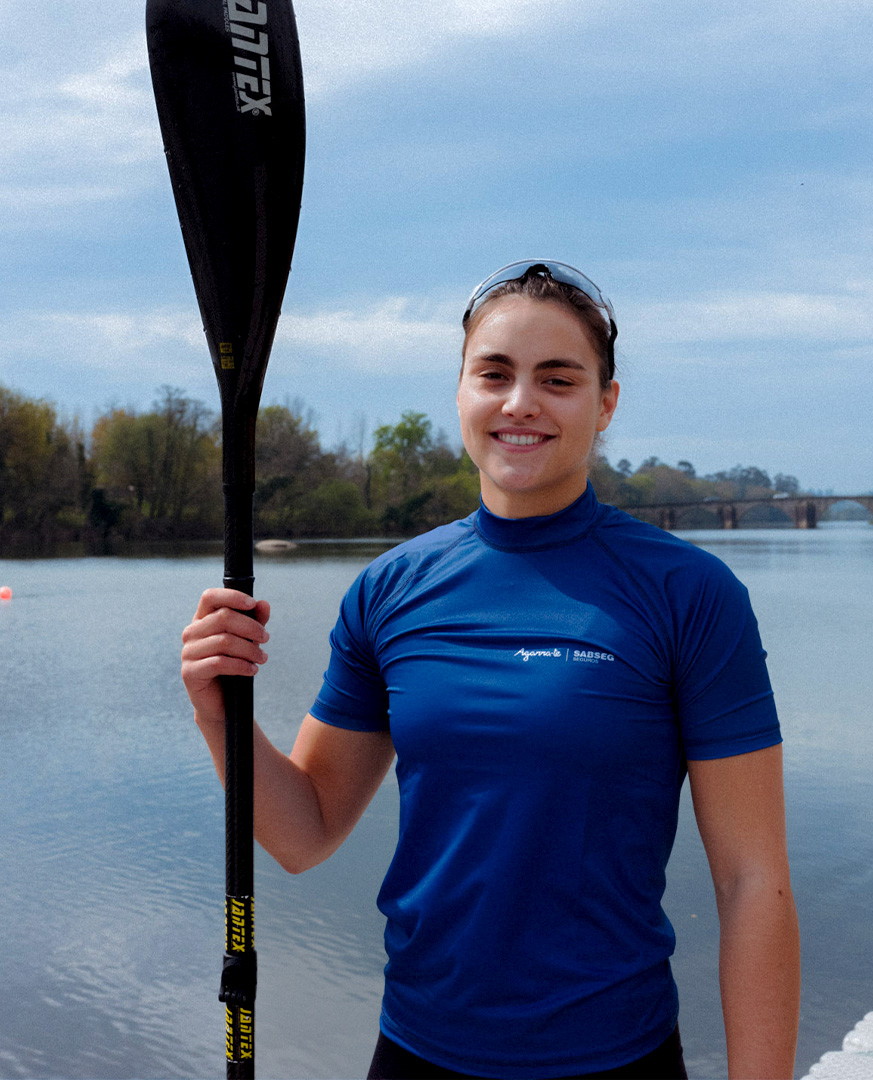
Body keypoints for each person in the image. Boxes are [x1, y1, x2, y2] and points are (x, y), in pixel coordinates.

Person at [181, 261, 800, 1079]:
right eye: (495, 374)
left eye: (558, 379)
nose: (520, 403)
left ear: (606, 404)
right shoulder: (389, 590)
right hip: (415, 1052)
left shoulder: (689, 594)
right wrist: (219, 714)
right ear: (462, 392)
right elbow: (307, 831)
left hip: (617, 1057)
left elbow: (754, 883)